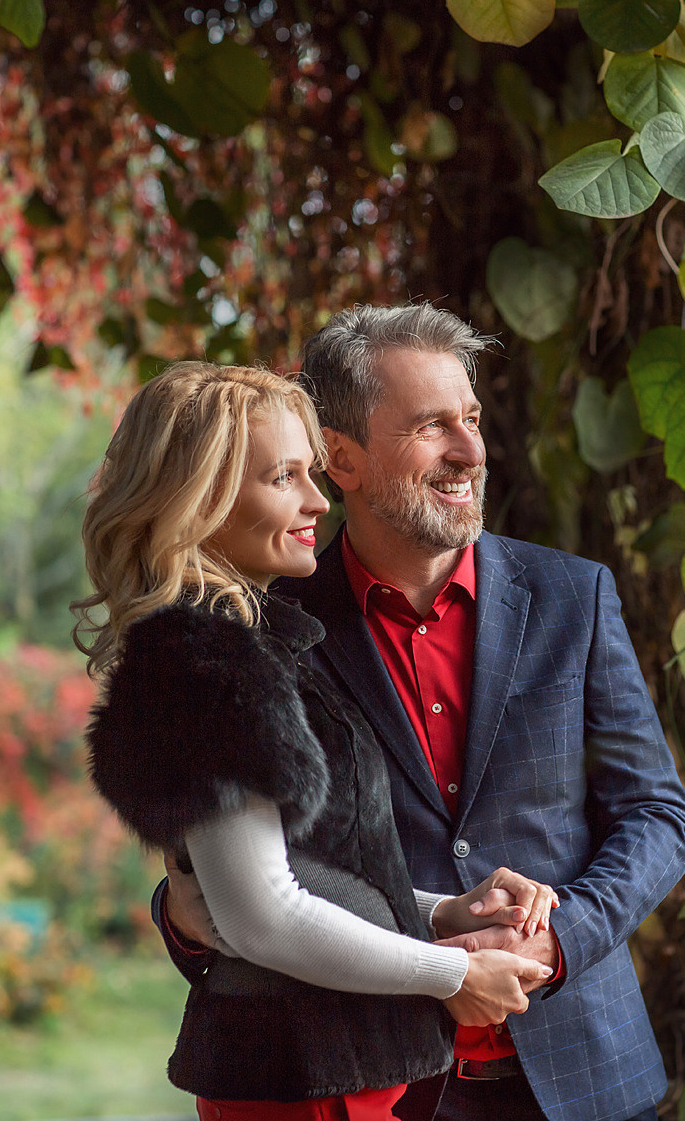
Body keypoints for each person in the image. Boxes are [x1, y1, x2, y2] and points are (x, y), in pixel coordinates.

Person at [160, 308, 685, 1121]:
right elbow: (254, 874)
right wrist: (184, 918)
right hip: (381, 1081)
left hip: (585, 1074)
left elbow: (658, 816)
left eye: (471, 419)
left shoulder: (571, 596)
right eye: (430, 426)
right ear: (341, 457)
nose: (470, 451)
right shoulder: (264, 626)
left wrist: (559, 940)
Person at [74, 362, 560, 1121]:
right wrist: (449, 974)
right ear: (200, 500)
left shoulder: (242, 644)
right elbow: (261, 914)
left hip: (328, 1071)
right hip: (301, 1083)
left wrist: (438, 912)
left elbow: (300, 871)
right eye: (284, 476)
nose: (316, 500)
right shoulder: (207, 664)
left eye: (312, 472)